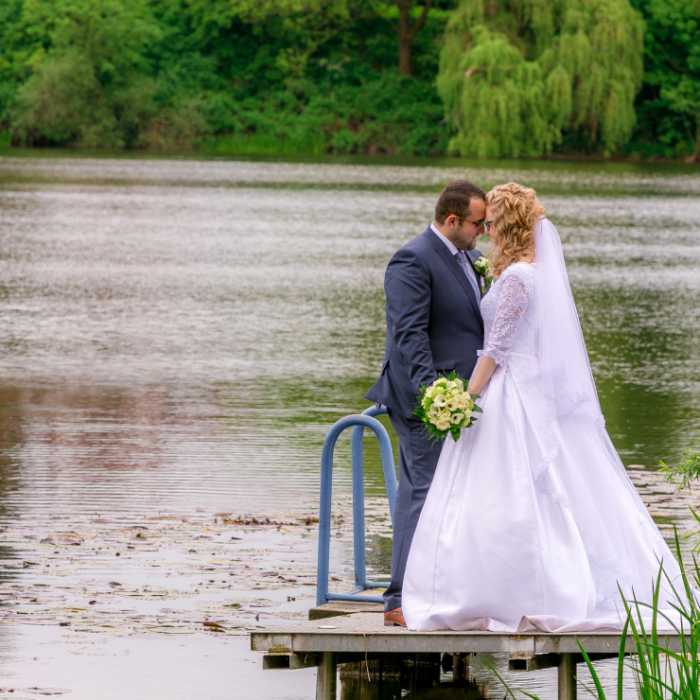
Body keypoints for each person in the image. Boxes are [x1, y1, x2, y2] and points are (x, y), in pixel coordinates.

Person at [402, 182, 694, 632]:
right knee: (525, 491)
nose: (487, 230)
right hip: (522, 386)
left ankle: (522, 589)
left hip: (509, 390)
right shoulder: (526, 273)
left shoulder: (519, 278)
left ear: (508, 226)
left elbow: (496, 350)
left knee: (512, 489)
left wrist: (465, 398)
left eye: (492, 223)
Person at [366, 180, 487, 626]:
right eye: (478, 223)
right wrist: (433, 395)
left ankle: (439, 590)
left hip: (459, 400)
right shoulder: (412, 259)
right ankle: (398, 598)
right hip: (425, 402)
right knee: (421, 493)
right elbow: (409, 334)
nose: (483, 231)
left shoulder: (469, 259)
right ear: (452, 220)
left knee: (451, 496)